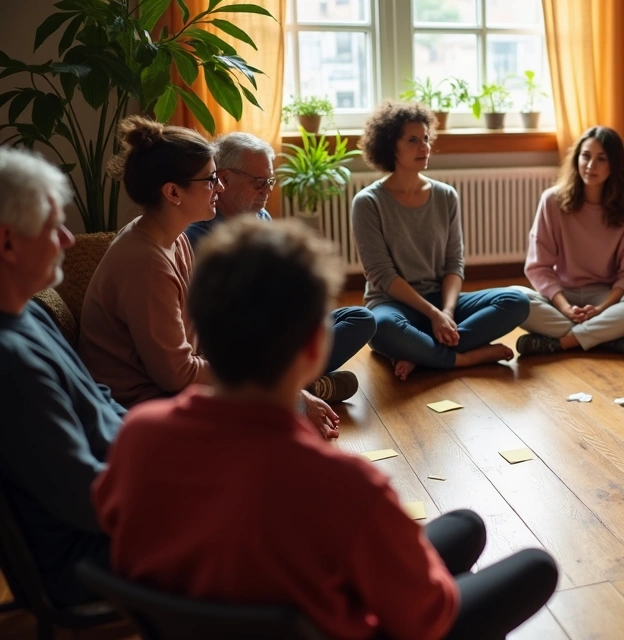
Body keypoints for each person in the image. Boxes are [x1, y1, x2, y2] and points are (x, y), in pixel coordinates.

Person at [93, 217, 559, 640]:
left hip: (203, 619)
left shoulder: (138, 434)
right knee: (535, 566)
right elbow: (427, 619)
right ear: (316, 347)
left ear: (201, 329)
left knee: (467, 527)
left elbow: (118, 533)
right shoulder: (346, 486)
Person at [78, 116, 340, 438]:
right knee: (276, 419)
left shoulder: (174, 239)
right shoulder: (145, 261)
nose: (219, 187)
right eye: (210, 179)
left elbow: (197, 342)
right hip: (142, 403)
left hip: (175, 385)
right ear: (173, 192)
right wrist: (276, 386)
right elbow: (178, 374)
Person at [0, 148, 123, 606]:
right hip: (88, 557)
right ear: (7, 243)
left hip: (121, 501)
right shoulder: (10, 363)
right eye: (54, 227)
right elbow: (88, 499)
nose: (70, 239)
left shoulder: (31, 309)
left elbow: (102, 400)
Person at [183, 132, 375, 403]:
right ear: (224, 179)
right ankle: (296, 388)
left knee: (361, 318)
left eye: (270, 181)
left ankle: (290, 387)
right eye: (259, 182)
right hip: (242, 344)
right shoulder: (197, 235)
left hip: (276, 331)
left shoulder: (261, 217)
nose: (268, 190)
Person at [352, 101, 529, 380]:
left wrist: (446, 311)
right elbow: (382, 275)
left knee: (517, 300)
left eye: (425, 139)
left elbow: (453, 264)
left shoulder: (446, 195)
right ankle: (464, 358)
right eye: (412, 140)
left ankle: (421, 355)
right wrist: (433, 315)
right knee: (381, 327)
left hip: (442, 301)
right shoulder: (368, 202)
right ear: (389, 146)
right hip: (393, 305)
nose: (423, 147)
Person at [512, 126, 624, 358]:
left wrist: (602, 308)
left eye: (601, 159)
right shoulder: (552, 201)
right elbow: (538, 266)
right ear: (576, 158)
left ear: (614, 165)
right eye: (586, 156)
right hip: (560, 295)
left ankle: (564, 341)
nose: (590, 166)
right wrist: (564, 307)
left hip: (605, 298)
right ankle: (609, 338)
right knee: (514, 298)